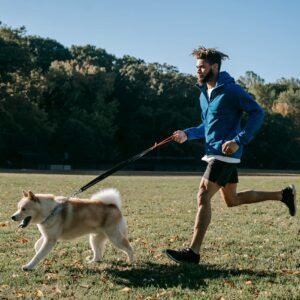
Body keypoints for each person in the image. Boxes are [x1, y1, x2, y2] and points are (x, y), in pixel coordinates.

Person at [165, 47, 297, 264]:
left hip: (223, 154)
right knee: (232, 200)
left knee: (203, 196)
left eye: (202, 67)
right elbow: (207, 126)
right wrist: (187, 134)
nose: (198, 71)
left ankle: (193, 252)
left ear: (214, 67)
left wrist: (239, 140)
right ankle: (283, 195)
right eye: (197, 67)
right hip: (214, 152)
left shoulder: (232, 90)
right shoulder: (204, 94)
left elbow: (258, 112)